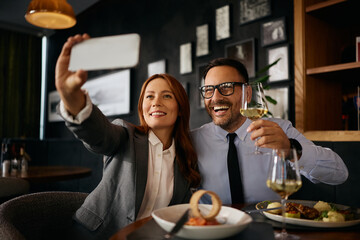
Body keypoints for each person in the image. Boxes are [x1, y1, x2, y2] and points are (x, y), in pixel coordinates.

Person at [55, 34, 200, 239]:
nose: (156, 102)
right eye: (149, 96)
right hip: (96, 235)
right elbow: (97, 134)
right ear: (142, 107)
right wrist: (71, 97)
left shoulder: (187, 156)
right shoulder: (124, 135)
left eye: (167, 96)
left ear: (181, 108)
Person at [191, 58, 348, 204]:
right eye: (209, 89)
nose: (215, 97)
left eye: (226, 87)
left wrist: (291, 149)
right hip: (214, 228)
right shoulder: (192, 140)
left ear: (247, 94)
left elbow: (339, 174)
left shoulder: (278, 130)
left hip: (270, 227)